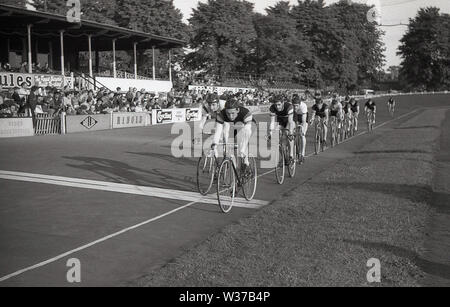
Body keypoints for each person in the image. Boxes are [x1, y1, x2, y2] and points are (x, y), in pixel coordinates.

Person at [212, 97, 254, 173]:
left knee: (242, 143)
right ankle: (234, 171)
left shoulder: (245, 113)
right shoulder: (221, 114)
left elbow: (247, 131)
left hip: (247, 127)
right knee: (232, 146)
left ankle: (246, 162)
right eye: (228, 113)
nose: (230, 116)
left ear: (237, 110)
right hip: (234, 126)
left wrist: (242, 149)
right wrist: (215, 143)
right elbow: (218, 131)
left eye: (232, 113)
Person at [268, 94, 295, 163]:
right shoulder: (272, 108)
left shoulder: (289, 106)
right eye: (276, 105)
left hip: (289, 120)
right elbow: (272, 122)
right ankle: (284, 156)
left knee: (288, 133)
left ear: (283, 103)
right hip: (280, 121)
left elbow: (290, 122)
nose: (277, 107)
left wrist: (291, 133)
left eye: (279, 104)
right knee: (277, 139)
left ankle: (291, 155)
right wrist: (271, 133)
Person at [292, 96, 309, 164]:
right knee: (292, 131)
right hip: (295, 116)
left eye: (297, 106)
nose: (295, 107)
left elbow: (304, 121)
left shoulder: (303, 106)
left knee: (302, 135)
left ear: (300, 104)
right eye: (294, 106)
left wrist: (302, 128)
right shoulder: (291, 107)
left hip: (303, 116)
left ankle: (302, 154)